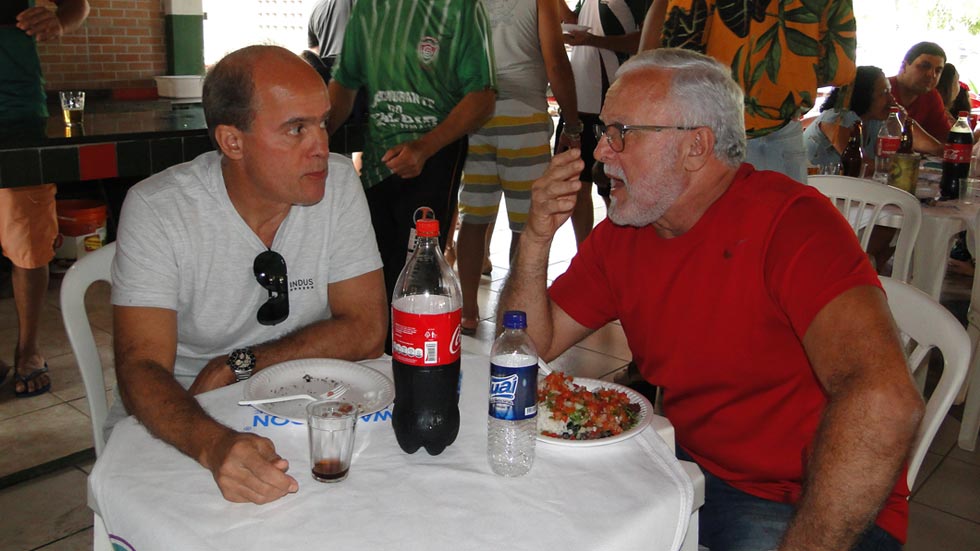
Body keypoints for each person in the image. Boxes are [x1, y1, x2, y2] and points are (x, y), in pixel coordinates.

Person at [499, 48, 923, 550]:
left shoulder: (792, 225)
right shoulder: (627, 232)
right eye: (604, 132)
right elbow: (525, 348)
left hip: (806, 502)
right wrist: (535, 240)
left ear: (695, 146)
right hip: (685, 469)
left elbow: (886, 402)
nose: (601, 152)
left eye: (621, 133)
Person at [111, 45, 388, 504]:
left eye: (323, 122)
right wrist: (213, 443)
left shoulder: (338, 183)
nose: (322, 147)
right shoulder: (159, 209)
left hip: (305, 401)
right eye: (296, 129)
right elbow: (140, 368)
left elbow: (367, 329)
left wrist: (239, 363)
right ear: (232, 142)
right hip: (186, 413)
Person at [327, 0, 495, 349]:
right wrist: (314, 134)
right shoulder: (368, 10)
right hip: (377, 164)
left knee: (415, 272)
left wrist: (424, 146)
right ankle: (375, 358)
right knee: (370, 268)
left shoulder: (460, 9)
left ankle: (410, 361)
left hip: (433, 157)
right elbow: (344, 84)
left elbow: (482, 97)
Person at [454, 0, 580, 335]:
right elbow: (556, 63)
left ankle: (468, 312)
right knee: (525, 224)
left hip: (474, 114)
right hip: (523, 116)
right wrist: (573, 123)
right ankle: (515, 312)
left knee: (474, 217)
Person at [639, 0, 857, 184]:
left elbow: (666, 56)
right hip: (784, 136)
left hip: (712, 132)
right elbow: (839, 70)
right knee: (785, 222)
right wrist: (785, 79)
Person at [0, 0, 90, 397]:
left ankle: (29, 351)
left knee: (29, 242)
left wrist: (59, 21)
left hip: (17, 115)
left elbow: (78, 4)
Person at [556, 0, 649, 243]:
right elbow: (575, 22)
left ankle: (619, 253)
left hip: (609, 108)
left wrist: (593, 40)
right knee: (576, 185)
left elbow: (643, 42)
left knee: (612, 187)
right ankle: (585, 252)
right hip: (577, 104)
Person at [804, 66, 943, 170]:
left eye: (890, 92)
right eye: (884, 93)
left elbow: (929, 147)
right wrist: (906, 166)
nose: (892, 99)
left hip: (843, 190)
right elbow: (860, 164)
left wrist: (900, 122)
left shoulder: (873, 122)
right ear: (863, 96)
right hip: (815, 188)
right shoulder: (836, 119)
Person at [889, 42, 950, 142]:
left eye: (938, 70)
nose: (932, 75)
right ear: (904, 66)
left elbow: (945, 139)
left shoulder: (932, 96)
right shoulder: (883, 90)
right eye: (924, 66)